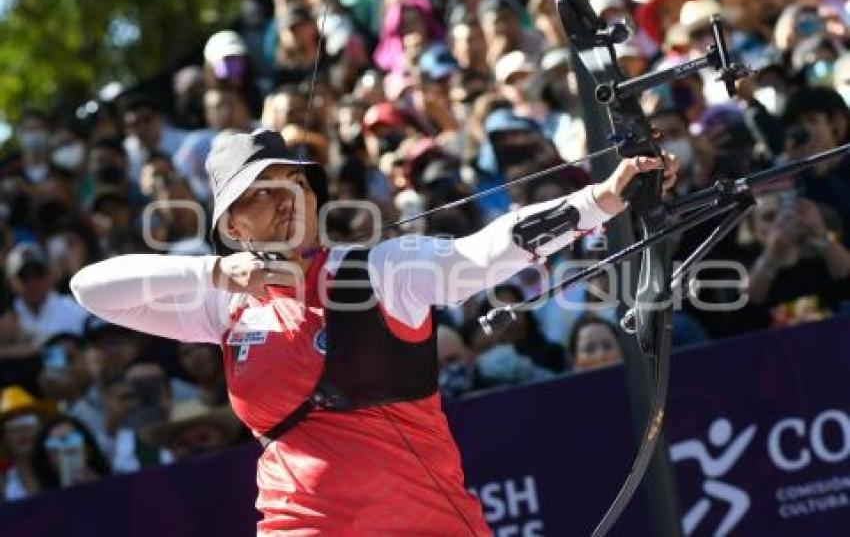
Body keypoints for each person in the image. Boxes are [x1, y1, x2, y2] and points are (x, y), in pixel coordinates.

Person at [70, 129, 676, 534]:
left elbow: (479, 256)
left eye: (295, 184)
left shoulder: (377, 272)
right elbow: (90, 289)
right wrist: (215, 272)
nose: (284, 200)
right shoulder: (226, 306)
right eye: (259, 194)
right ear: (232, 226)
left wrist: (598, 200)